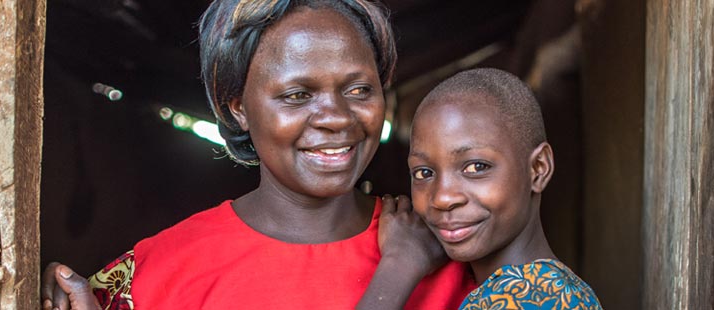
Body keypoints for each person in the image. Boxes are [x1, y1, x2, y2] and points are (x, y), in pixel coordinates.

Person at [41, 0, 476, 309]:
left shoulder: (454, 253)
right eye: (297, 94)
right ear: (239, 108)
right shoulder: (155, 277)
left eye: (359, 89)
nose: (337, 118)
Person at [406, 68, 602, 309]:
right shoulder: (553, 291)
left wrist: (397, 269)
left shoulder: (530, 300)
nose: (443, 197)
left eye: (476, 167)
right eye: (424, 173)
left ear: (538, 168)